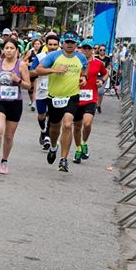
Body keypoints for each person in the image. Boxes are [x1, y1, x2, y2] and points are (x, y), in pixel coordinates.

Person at [32, 31, 88, 172]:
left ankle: (63, 160)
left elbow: (84, 70)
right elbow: (38, 70)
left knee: (68, 125)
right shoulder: (53, 56)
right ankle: (53, 147)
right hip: (54, 97)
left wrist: (84, 78)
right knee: (54, 128)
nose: (69, 44)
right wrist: (54, 70)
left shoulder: (81, 58)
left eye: (72, 42)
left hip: (72, 96)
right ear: (62, 43)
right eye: (67, 42)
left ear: (76, 44)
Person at [0, 39, 31, 173]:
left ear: (17, 51)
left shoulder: (21, 65)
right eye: (6, 48)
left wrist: (18, 80)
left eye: (12, 48)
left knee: (8, 136)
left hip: (15, 103)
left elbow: (28, 85)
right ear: (3, 50)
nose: (9, 50)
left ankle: (4, 161)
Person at [73, 40, 106, 163]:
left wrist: (101, 81)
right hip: (76, 97)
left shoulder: (98, 63)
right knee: (77, 126)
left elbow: (105, 73)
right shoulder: (75, 62)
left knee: (87, 123)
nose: (86, 50)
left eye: (89, 48)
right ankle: (78, 149)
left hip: (91, 98)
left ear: (93, 50)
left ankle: (84, 142)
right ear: (81, 49)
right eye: (84, 48)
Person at [29, 33, 60, 149]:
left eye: (55, 45)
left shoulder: (62, 57)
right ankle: (43, 130)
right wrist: (48, 70)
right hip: (42, 89)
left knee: (52, 115)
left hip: (56, 90)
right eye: (50, 44)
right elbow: (31, 72)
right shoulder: (40, 57)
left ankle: (47, 136)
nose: (52, 47)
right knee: (41, 115)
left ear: (58, 45)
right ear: (46, 45)